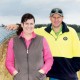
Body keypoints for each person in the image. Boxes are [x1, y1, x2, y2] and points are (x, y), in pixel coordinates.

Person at [6, 8, 80, 80]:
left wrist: (73, 69)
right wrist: (17, 26)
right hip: (54, 75)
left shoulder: (71, 32)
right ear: (50, 18)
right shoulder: (43, 31)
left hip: (70, 75)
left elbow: (78, 52)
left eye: (58, 17)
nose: (56, 19)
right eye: (53, 17)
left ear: (62, 18)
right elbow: (29, 29)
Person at [5, 13, 53, 80]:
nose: (29, 26)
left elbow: (49, 59)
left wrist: (41, 72)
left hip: (38, 78)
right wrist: (15, 73)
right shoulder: (13, 41)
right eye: (26, 23)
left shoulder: (42, 40)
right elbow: (9, 62)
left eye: (31, 24)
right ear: (22, 25)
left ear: (34, 25)